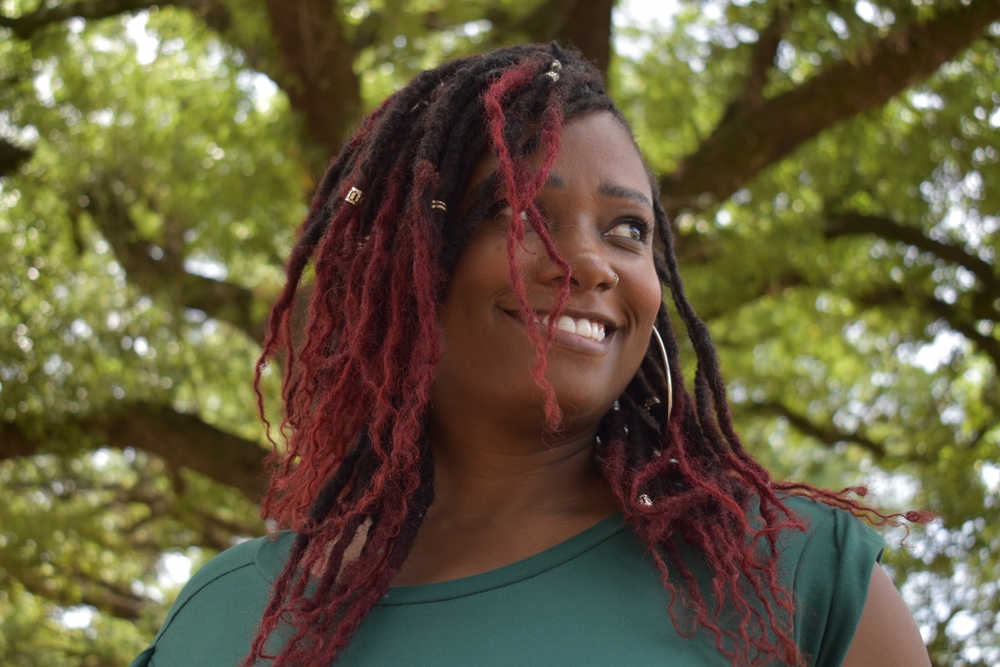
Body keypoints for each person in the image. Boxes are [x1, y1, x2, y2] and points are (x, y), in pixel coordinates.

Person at [131, 43, 931, 667]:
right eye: (519, 212)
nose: (591, 262)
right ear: (410, 263)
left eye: (629, 230)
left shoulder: (791, 573)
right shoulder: (226, 613)